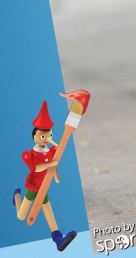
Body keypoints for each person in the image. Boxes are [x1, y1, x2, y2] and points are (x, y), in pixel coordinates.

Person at [13, 101, 77, 252]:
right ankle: (16, 197)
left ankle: (58, 238)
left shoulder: (51, 151)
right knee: (21, 216)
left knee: (48, 210)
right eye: (43, 135)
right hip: (34, 186)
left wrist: (56, 176)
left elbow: (53, 166)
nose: (47, 138)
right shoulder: (31, 154)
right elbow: (37, 168)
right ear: (34, 136)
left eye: (49, 135)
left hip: (44, 185)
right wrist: (51, 163)